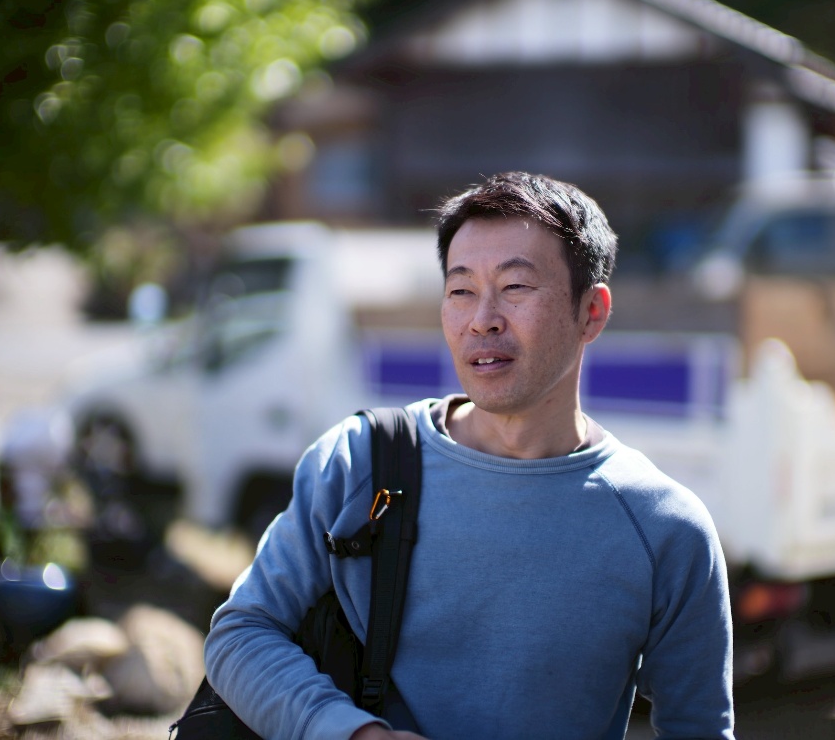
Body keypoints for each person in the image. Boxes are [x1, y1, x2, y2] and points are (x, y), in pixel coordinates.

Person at [204, 172, 735, 740]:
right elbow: (241, 633)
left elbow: (699, 727)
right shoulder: (359, 463)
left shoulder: (664, 529)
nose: (482, 318)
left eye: (515, 288)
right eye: (461, 290)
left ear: (592, 313)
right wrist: (352, 733)